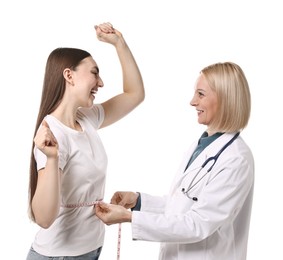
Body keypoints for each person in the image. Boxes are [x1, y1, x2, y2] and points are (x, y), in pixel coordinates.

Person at [95, 62, 254, 260]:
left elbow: (198, 223)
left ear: (225, 99)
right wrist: (138, 201)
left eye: (201, 94)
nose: (192, 102)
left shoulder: (236, 159)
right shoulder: (203, 145)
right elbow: (183, 203)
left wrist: (130, 218)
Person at [26, 22, 144, 260]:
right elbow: (44, 218)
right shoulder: (52, 134)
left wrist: (119, 44)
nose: (100, 83)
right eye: (94, 73)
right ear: (69, 75)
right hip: (59, 256)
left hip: (89, 250)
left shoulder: (86, 118)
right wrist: (50, 159)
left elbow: (135, 94)